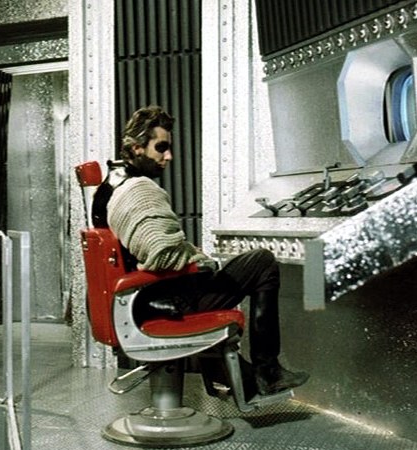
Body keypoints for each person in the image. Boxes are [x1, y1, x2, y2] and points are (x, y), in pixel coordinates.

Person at [92, 105, 309, 395]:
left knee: (217, 272)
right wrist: (198, 258)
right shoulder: (137, 190)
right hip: (165, 302)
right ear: (137, 148)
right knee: (262, 262)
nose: (169, 156)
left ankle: (241, 377)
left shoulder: (107, 187)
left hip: (142, 301)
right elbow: (162, 254)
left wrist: (188, 253)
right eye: (161, 147)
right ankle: (267, 371)